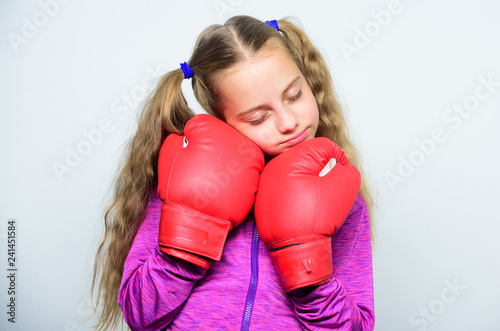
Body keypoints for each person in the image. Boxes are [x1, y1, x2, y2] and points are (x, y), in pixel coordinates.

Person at [90, 15, 377, 330]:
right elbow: (140, 316)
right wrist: (189, 236)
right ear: (221, 118)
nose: (288, 122)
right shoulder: (177, 184)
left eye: (295, 96)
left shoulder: (344, 201)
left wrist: (306, 269)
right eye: (258, 118)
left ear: (310, 81)